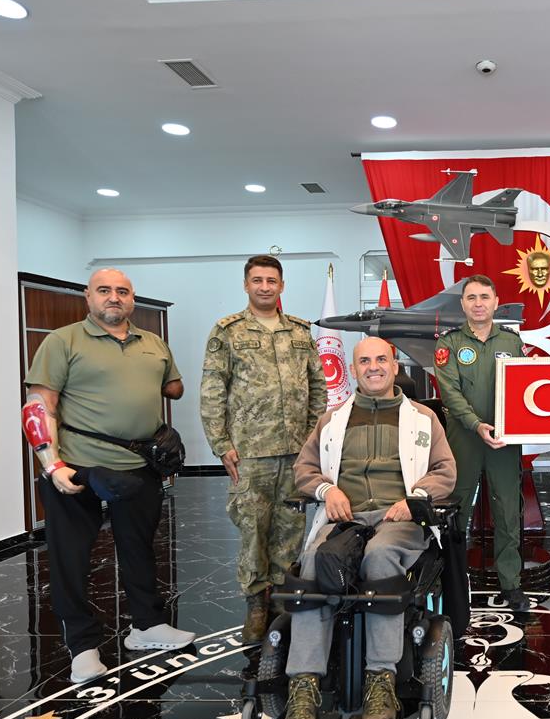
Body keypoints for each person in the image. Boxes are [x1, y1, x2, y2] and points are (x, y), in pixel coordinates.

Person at [279, 338, 456, 719]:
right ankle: (303, 686)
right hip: (346, 518)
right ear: (353, 369)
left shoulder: (423, 418)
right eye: (364, 361)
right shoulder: (332, 420)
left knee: (380, 557)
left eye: (381, 360)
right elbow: (304, 468)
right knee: (313, 563)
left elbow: (446, 471)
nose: (373, 367)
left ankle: (381, 681)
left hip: (400, 519)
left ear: (395, 367)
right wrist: (327, 490)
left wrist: (415, 498)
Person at [23, 267, 195, 684]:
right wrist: (52, 464)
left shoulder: (153, 343)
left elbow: (174, 387)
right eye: (104, 290)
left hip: (139, 466)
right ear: (88, 297)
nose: (113, 297)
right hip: (77, 467)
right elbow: (38, 406)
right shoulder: (63, 341)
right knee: (70, 557)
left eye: (122, 291)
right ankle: (82, 646)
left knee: (139, 549)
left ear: (132, 299)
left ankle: (147, 626)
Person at [200, 255, 327, 642]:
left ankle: (283, 597)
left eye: (272, 281)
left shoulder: (300, 331)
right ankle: (256, 603)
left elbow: (317, 387)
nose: (265, 287)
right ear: (246, 285)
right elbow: (212, 391)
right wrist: (221, 444)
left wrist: (312, 440)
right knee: (253, 529)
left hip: (295, 451)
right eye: (257, 280)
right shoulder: (228, 331)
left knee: (290, 527)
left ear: (282, 286)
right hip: (250, 452)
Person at [433, 275, 527, 613]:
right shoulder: (450, 343)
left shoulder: (513, 342)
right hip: (464, 438)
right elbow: (450, 393)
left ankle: (511, 583)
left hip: (504, 440)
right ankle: (454, 580)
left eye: (484, 297)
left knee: (507, 512)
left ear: (496, 302)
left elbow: (525, 387)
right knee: (457, 511)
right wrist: (476, 424)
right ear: (462, 304)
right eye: (471, 297)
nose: (478, 303)